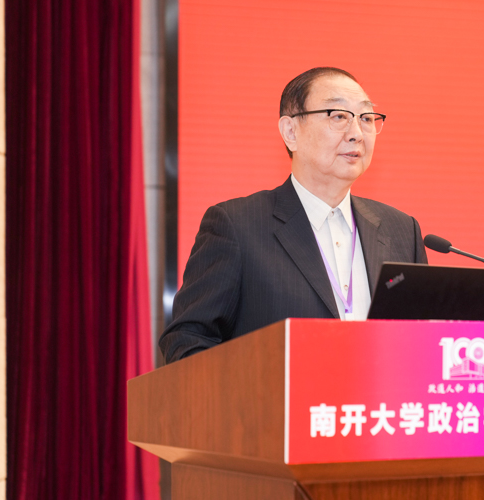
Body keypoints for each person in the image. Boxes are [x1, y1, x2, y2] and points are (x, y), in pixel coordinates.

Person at [159, 67, 428, 364]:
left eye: (366, 118)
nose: (356, 133)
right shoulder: (236, 226)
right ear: (291, 132)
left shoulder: (402, 231)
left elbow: (425, 342)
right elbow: (187, 341)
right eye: (339, 116)